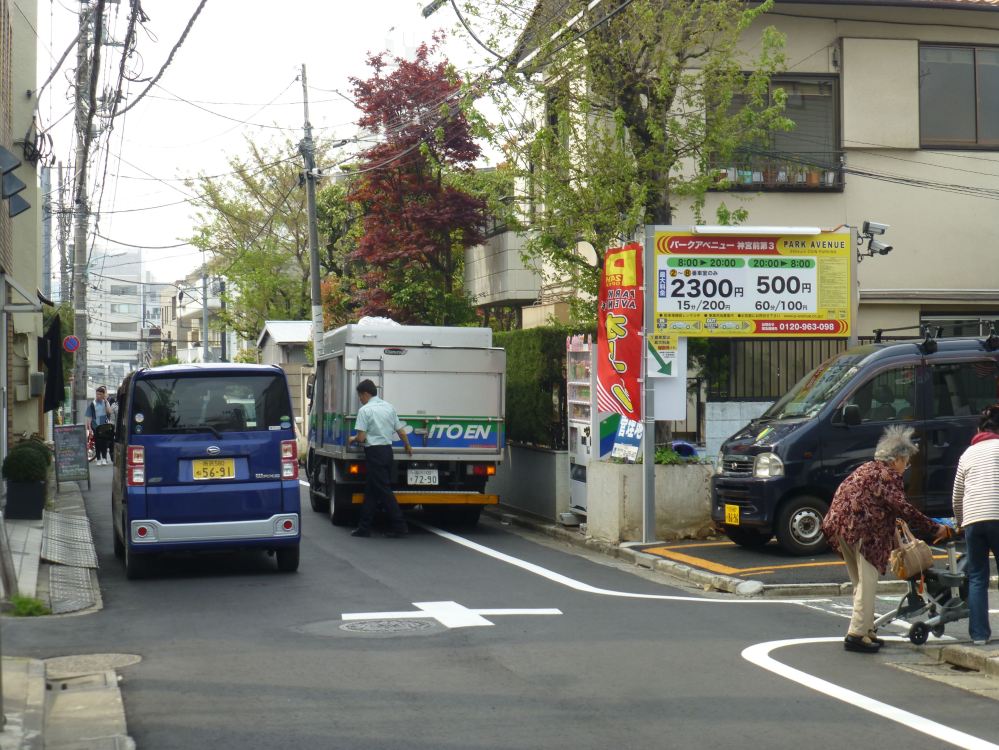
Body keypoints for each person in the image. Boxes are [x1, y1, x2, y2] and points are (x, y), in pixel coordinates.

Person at [821, 425, 949, 653]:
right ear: (897, 458)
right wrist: (933, 528)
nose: (906, 467)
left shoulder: (867, 469)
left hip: (840, 528)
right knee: (867, 583)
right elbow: (903, 509)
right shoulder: (888, 476)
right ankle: (856, 635)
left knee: (860, 583)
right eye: (906, 462)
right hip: (865, 533)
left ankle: (867, 630)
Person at [952, 404, 999, 646]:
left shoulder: (967, 454)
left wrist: (960, 522)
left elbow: (957, 495)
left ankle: (979, 635)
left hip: (973, 520)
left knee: (978, 576)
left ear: (979, 429)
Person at [346, 379, 413, 538]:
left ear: (366, 394)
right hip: (387, 452)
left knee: (384, 491)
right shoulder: (389, 407)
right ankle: (364, 527)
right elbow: (401, 431)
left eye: (360, 396)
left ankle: (400, 526)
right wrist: (407, 445)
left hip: (374, 453)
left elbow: (361, 438)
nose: (360, 400)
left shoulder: (365, 410)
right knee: (371, 491)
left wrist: (352, 439)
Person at [85, 386, 115, 466]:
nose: (98, 396)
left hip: (104, 425)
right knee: (98, 442)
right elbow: (89, 416)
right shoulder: (92, 404)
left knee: (104, 442)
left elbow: (109, 412)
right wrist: (90, 428)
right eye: (97, 394)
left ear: (103, 395)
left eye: (100, 394)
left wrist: (105, 401)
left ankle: (104, 458)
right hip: (95, 426)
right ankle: (98, 459)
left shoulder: (106, 402)